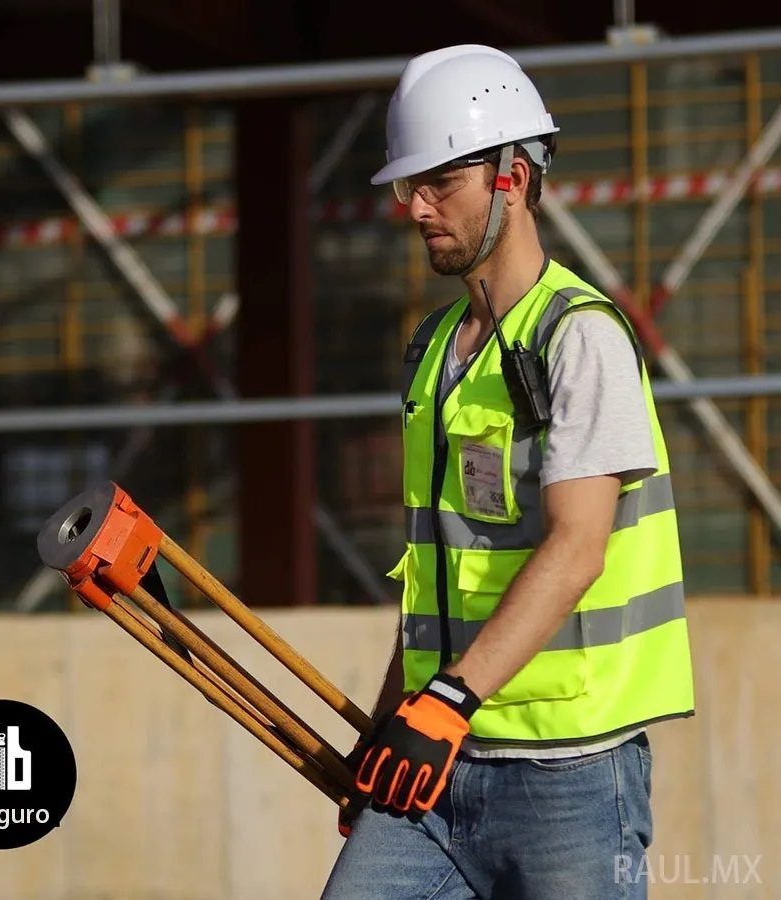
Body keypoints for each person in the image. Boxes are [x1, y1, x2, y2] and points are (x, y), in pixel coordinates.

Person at [320, 44, 695, 900]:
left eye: (439, 182)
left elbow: (578, 548)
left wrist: (446, 701)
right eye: (407, 187)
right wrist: (395, 717)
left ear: (513, 177)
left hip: (568, 779)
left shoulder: (580, 338)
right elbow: (440, 570)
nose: (415, 207)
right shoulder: (434, 357)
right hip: (438, 763)